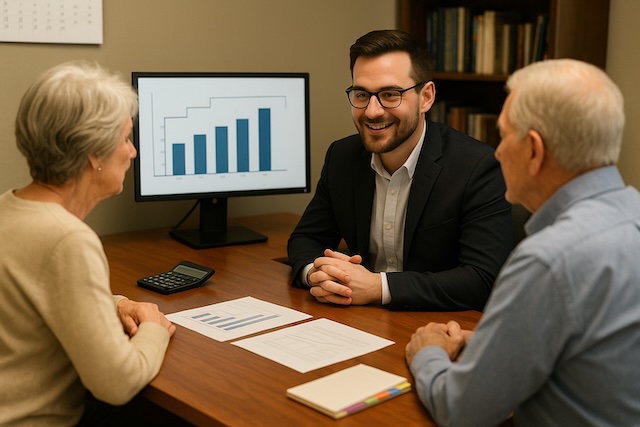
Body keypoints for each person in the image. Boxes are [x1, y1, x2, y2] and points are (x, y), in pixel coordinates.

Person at [405, 58, 640, 426]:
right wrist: (500, 342)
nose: (496, 152)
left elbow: (462, 411)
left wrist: (427, 354)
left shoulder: (549, 259)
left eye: (502, 136)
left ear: (534, 150)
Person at [0, 61, 177, 426]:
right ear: (93, 153)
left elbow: (27, 300)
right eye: (126, 138)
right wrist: (154, 329)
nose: (133, 152)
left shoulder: (9, 206)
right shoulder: (68, 239)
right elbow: (117, 383)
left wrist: (117, 304)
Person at [287, 30, 513, 311]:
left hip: (435, 327)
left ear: (426, 97)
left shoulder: (477, 167)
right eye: (361, 94)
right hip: (358, 319)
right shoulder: (342, 157)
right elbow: (307, 238)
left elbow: (482, 279)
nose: (372, 111)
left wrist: (377, 287)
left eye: (390, 94)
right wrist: (317, 275)